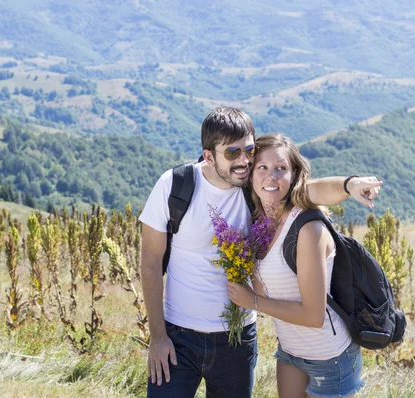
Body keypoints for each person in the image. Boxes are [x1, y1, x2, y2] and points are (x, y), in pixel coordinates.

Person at [140, 108, 380, 398]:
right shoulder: (175, 186)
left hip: (237, 340)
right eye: (232, 153)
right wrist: (157, 336)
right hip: (177, 336)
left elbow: (310, 190)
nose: (244, 161)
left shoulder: (255, 192)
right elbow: (151, 261)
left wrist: (349, 185)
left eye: (249, 150)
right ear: (208, 156)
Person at [227, 133, 367, 398]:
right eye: (263, 168)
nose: (272, 176)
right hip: (290, 352)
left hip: (330, 357)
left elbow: (313, 316)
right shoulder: (259, 222)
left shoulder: (307, 228)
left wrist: (252, 301)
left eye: (281, 168)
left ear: (294, 175)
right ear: (251, 175)